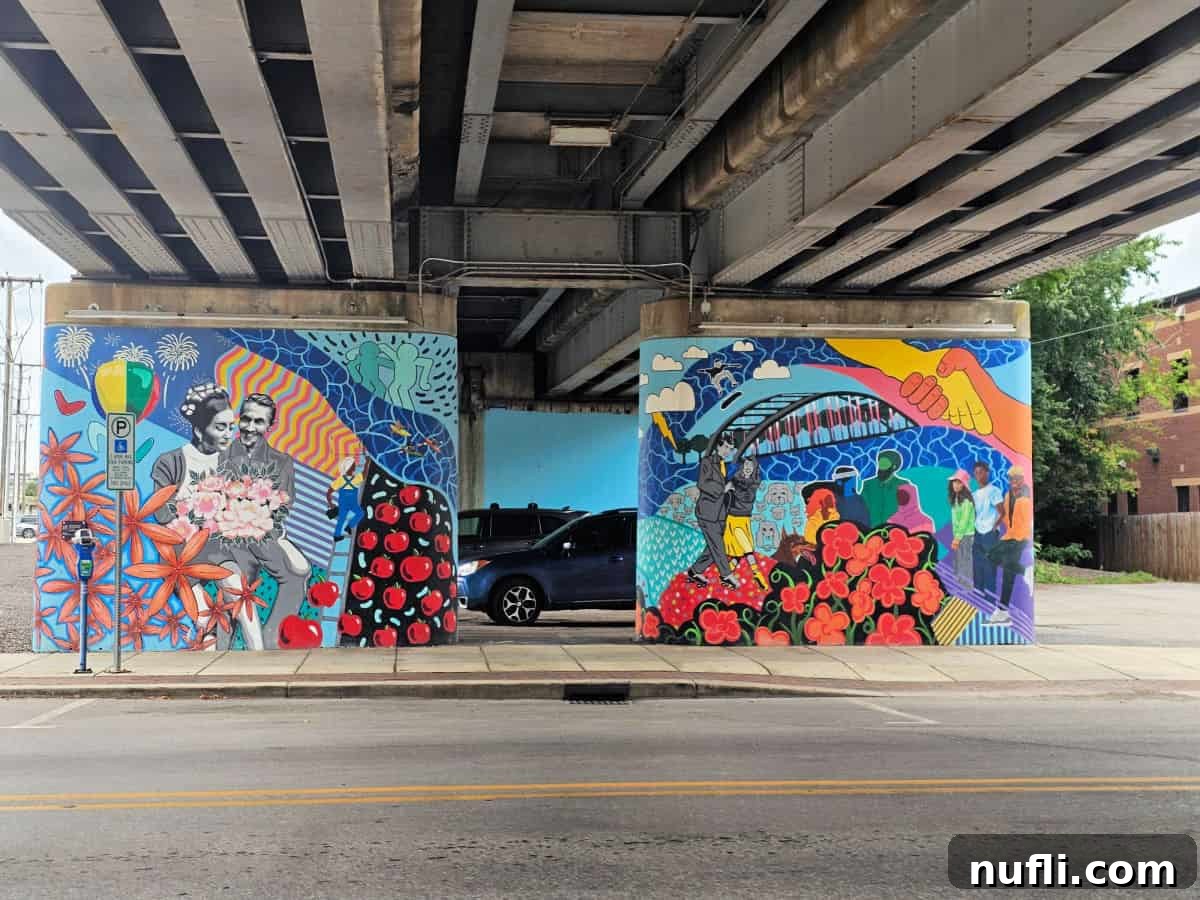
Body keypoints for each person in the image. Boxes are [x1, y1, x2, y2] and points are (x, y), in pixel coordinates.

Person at [150, 384, 250, 648]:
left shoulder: (231, 462)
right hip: (180, 553)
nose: (229, 434)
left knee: (243, 599)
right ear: (198, 429)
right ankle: (210, 655)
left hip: (216, 549)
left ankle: (260, 656)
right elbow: (161, 513)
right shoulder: (170, 462)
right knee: (205, 618)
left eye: (231, 427)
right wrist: (198, 505)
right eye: (220, 427)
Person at [223, 393, 312, 648]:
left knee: (297, 575)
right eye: (246, 419)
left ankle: (272, 640)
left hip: (264, 536)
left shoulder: (281, 462)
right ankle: (220, 647)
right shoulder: (221, 455)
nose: (250, 427)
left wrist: (263, 522)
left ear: (270, 426)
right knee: (236, 585)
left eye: (259, 422)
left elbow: (284, 504)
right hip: (228, 540)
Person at [686, 431, 739, 589]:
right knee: (718, 545)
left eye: (731, 449)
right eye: (726, 447)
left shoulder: (723, 464)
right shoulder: (707, 462)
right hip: (707, 512)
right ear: (718, 446)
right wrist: (724, 488)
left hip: (720, 512)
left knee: (714, 545)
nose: (728, 451)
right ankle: (726, 575)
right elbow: (703, 483)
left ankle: (696, 570)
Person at [988, 466, 1033, 624]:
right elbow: (1007, 514)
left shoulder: (1026, 498)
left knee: (1008, 575)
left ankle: (1002, 611)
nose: (1013, 481)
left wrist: (1022, 537)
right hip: (1010, 535)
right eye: (1011, 478)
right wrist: (997, 524)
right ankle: (1025, 571)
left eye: (1017, 478)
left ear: (1022, 479)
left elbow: (1026, 520)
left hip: (1021, 537)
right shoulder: (1008, 495)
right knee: (993, 557)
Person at [722, 456, 768, 590]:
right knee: (746, 549)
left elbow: (747, 495)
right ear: (742, 467)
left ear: (754, 468)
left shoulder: (754, 482)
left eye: (751, 465)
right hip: (733, 519)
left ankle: (726, 574)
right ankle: (757, 574)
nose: (748, 467)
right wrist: (727, 488)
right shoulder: (734, 481)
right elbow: (721, 493)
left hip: (745, 520)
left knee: (739, 552)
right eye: (746, 465)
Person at [971, 460, 1004, 599]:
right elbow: (974, 514)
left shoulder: (994, 491)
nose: (979, 475)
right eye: (976, 473)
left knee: (989, 569)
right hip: (977, 533)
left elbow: (1002, 512)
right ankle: (978, 601)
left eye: (981, 472)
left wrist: (993, 528)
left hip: (989, 535)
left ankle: (990, 603)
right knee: (977, 569)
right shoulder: (974, 494)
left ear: (987, 473)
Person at [861, 449, 913, 527]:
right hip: (872, 529)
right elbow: (862, 508)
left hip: (896, 529)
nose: (881, 467)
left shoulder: (903, 485)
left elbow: (909, 511)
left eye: (885, 464)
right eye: (880, 464)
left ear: (894, 466)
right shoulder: (868, 484)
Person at [948, 469, 976, 586]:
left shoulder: (966, 501)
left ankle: (967, 587)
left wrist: (957, 538)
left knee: (965, 561)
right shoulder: (956, 498)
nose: (956, 484)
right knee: (959, 561)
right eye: (954, 482)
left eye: (959, 482)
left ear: (964, 485)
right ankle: (961, 585)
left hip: (966, 535)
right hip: (959, 535)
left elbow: (964, 522)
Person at [327, 456, 365, 541]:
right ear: (350, 467)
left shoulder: (343, 479)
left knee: (357, 514)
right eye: (353, 464)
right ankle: (341, 532)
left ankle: (347, 528)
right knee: (358, 514)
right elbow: (365, 473)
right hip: (349, 504)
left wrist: (330, 503)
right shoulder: (355, 478)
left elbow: (329, 492)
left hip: (347, 503)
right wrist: (367, 462)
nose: (355, 466)